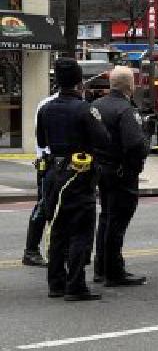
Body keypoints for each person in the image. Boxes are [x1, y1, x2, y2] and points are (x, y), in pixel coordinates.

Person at [38, 58, 110, 301]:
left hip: (53, 173)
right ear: (80, 81)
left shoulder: (46, 109)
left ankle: (55, 283)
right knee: (81, 231)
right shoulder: (85, 109)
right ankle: (76, 284)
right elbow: (103, 139)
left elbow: (40, 142)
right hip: (79, 174)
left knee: (57, 229)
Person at [92, 67, 150, 286]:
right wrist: (143, 152)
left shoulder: (96, 106)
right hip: (121, 173)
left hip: (100, 170)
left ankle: (101, 268)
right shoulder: (126, 110)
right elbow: (135, 143)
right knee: (117, 222)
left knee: (106, 218)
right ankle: (114, 272)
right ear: (131, 86)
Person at [21, 88, 59, 267]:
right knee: (45, 206)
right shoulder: (48, 104)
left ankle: (54, 250)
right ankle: (31, 250)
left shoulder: (46, 104)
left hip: (52, 163)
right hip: (50, 163)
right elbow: (41, 139)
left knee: (52, 206)